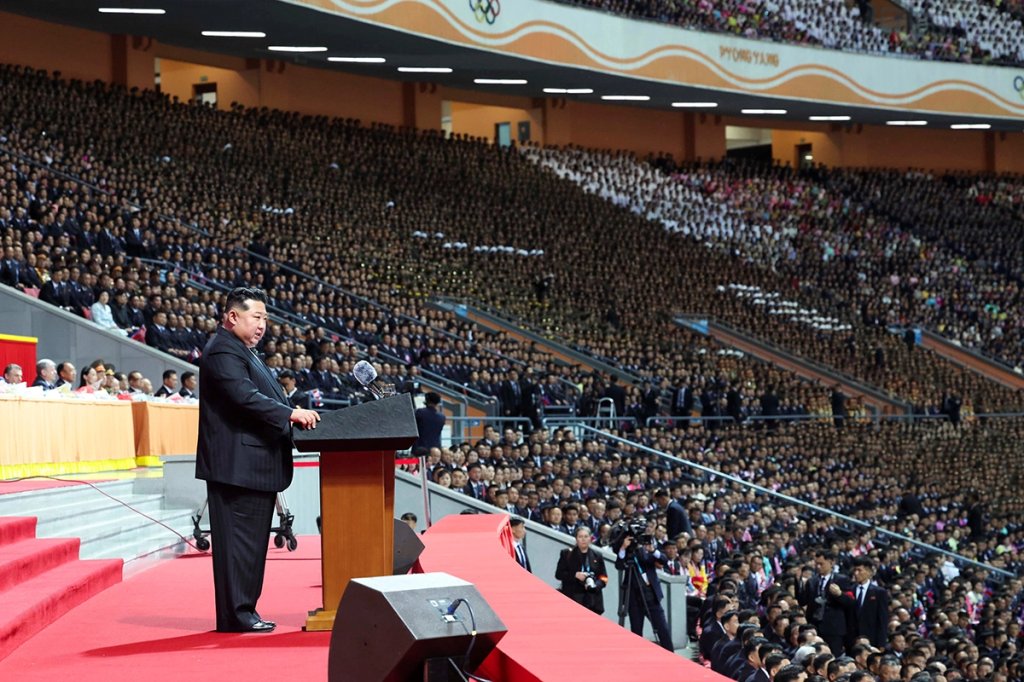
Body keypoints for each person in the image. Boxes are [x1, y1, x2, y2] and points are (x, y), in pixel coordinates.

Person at [194, 287, 320, 633]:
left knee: (248, 545)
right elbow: (244, 398)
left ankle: (243, 611)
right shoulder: (223, 350)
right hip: (238, 467)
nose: (263, 324)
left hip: (251, 465)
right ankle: (238, 614)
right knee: (238, 546)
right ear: (233, 316)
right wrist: (291, 413)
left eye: (265, 318)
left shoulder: (241, 350)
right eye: (257, 317)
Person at [615, 534, 674, 650]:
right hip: (634, 598)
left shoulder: (648, 551)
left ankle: (670, 654)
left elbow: (663, 560)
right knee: (636, 631)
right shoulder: (627, 552)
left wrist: (652, 550)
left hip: (651, 595)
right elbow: (619, 565)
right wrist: (623, 547)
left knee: (662, 628)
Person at [555, 526, 608, 614]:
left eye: (586, 536)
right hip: (572, 596)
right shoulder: (567, 554)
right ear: (576, 539)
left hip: (593, 599)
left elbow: (604, 577)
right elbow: (558, 574)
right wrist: (575, 575)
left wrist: (595, 585)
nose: (583, 539)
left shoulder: (597, 555)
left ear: (590, 538)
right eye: (580, 537)